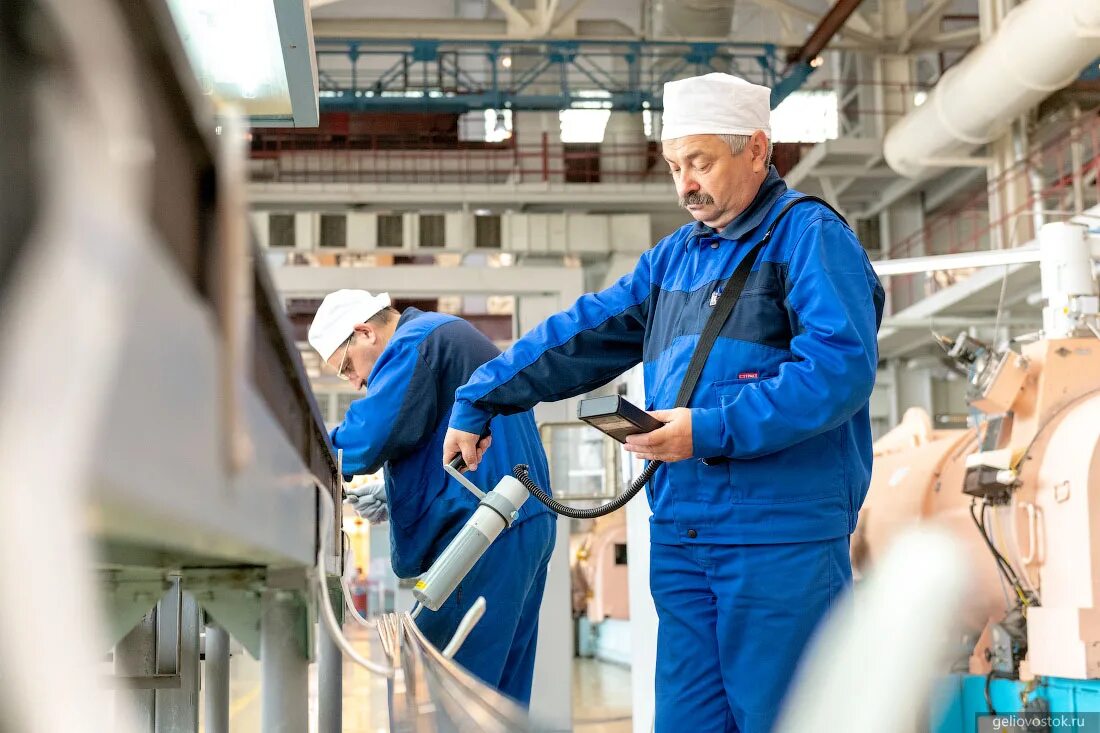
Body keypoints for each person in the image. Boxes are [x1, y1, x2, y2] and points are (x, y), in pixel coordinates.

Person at [444, 72, 885, 733]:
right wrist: (481, 394)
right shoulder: (673, 260)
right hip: (683, 536)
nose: (685, 184)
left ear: (758, 150)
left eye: (700, 162)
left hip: (779, 539)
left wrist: (707, 428)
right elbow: (579, 334)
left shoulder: (808, 238)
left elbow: (838, 368)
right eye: (675, 165)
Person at [309, 290, 556, 705]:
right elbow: (438, 431)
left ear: (364, 332)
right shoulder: (445, 337)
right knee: (498, 697)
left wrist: (309, 455)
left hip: (482, 532)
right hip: (521, 522)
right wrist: (394, 489)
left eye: (347, 367)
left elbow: (367, 439)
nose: (355, 382)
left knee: (445, 695)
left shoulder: (415, 341)